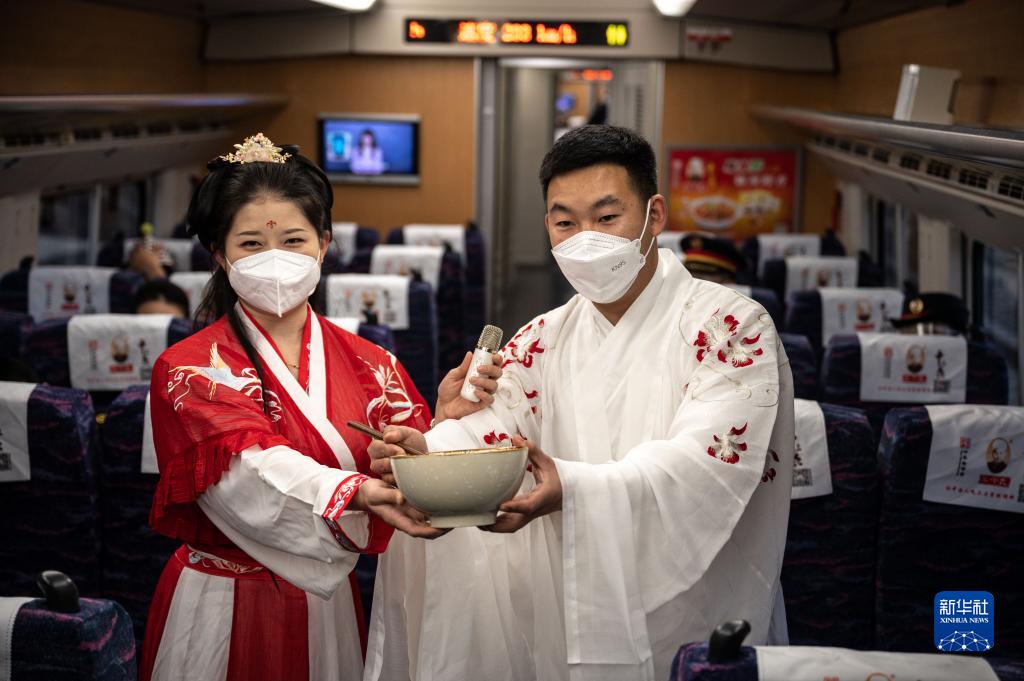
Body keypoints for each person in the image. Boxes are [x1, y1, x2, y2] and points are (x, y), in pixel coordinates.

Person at [365, 125, 795, 681]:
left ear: (654, 216)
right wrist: (428, 452)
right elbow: (493, 430)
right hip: (564, 604)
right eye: (565, 223)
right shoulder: (542, 337)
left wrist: (574, 489)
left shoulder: (731, 327)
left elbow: (701, 467)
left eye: (607, 217)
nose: (585, 239)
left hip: (694, 603)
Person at [139, 133, 501, 681]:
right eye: (251, 244)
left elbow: (412, 476)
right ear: (219, 254)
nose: (275, 260)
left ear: (323, 245)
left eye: (293, 240)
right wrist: (356, 491)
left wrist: (443, 426)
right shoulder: (188, 369)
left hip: (328, 605)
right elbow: (248, 476)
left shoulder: (373, 364)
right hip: (217, 601)